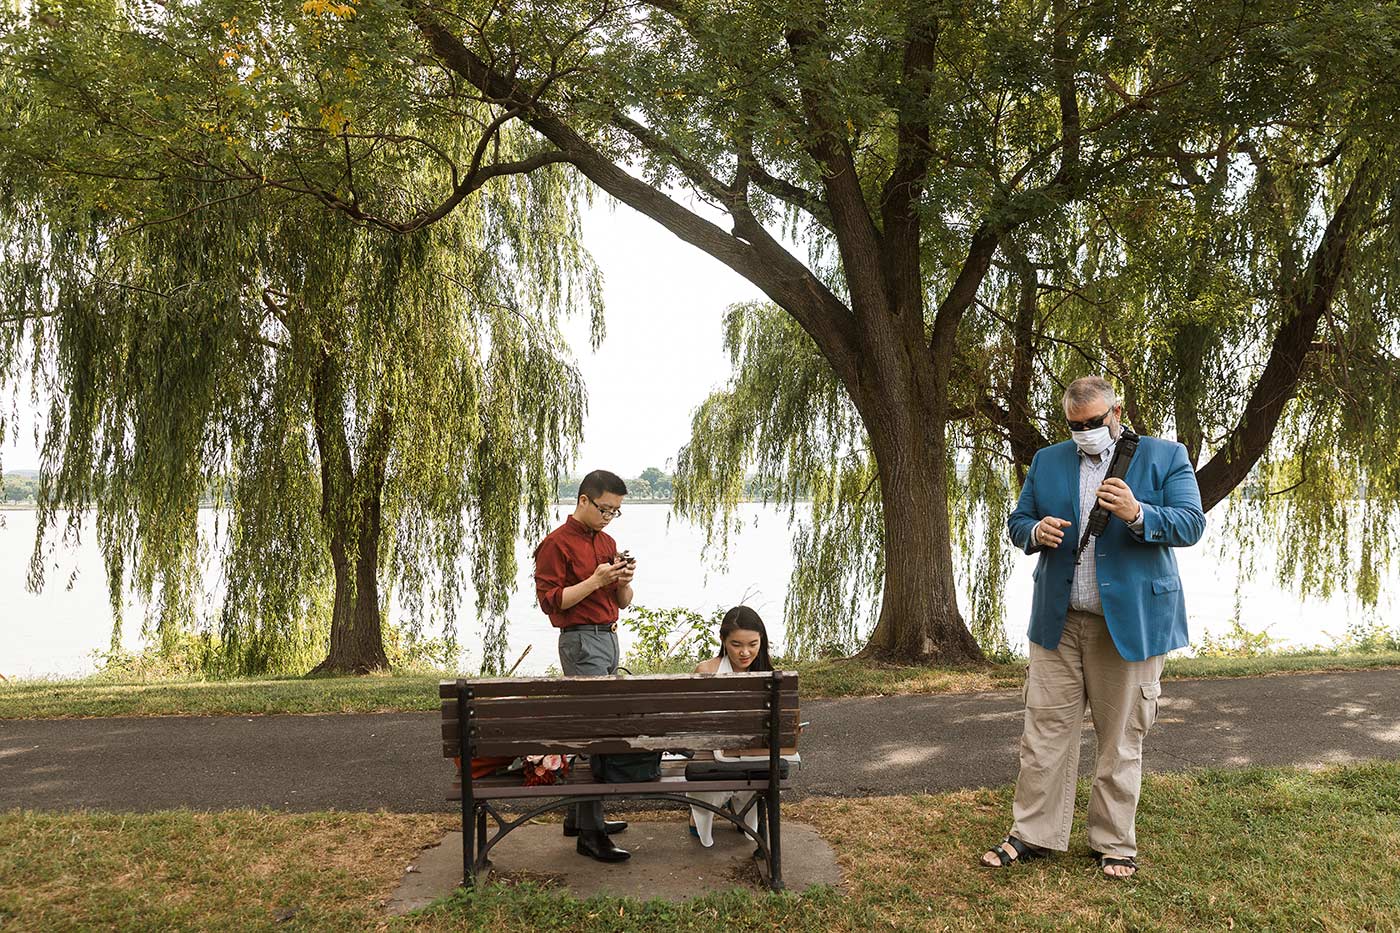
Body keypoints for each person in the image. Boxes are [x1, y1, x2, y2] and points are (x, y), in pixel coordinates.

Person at [981, 376, 1205, 879]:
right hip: (1058, 622)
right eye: (1074, 425)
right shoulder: (1047, 460)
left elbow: (1191, 523)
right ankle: (1032, 833)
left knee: (1120, 738)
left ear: (1117, 413)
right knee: (1042, 734)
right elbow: (1018, 521)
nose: (1084, 432)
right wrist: (1034, 532)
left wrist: (1138, 513)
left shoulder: (1165, 456)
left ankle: (1113, 842)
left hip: (1127, 626)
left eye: (1093, 423)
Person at [534, 468, 637, 863]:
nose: (610, 516)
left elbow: (623, 601)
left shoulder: (608, 541)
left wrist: (623, 580)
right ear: (583, 501)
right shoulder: (555, 545)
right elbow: (552, 603)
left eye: (616, 511)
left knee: (594, 726)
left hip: (609, 636)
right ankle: (590, 834)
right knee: (596, 733)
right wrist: (595, 581)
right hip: (580, 639)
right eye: (605, 508)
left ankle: (579, 817)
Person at [687, 606, 773, 846]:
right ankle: (717, 809)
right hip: (713, 752)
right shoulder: (707, 671)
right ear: (723, 640)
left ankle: (734, 808)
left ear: (761, 641)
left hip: (751, 752)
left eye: (753, 644)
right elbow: (694, 723)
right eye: (736, 644)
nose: (745, 652)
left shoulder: (767, 671)